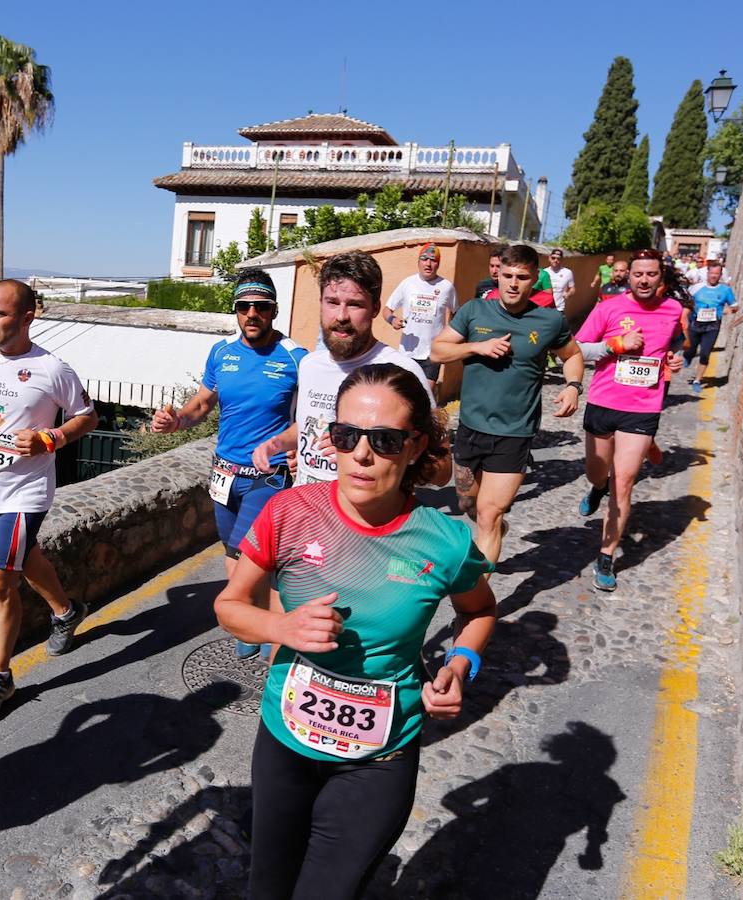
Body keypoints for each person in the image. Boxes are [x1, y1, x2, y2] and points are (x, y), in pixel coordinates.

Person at [215, 363, 496, 900]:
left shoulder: (444, 541)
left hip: (380, 758)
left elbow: (480, 611)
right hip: (286, 740)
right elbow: (229, 606)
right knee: (266, 890)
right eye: (347, 436)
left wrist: (460, 665)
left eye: (385, 441)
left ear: (416, 447)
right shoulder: (289, 511)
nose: (362, 455)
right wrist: (281, 625)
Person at [0, 280, 98, 719]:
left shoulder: (53, 369)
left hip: (27, 493)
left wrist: (52, 437)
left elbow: (87, 416)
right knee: (25, 557)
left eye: (1, 314)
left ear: (29, 316)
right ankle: (66, 612)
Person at [152, 267, 306, 659]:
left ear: (273, 311)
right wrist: (177, 421)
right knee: (231, 551)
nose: (251, 314)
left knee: (248, 557)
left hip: (268, 477)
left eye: (260, 307)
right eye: (243, 307)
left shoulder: (295, 357)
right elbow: (203, 404)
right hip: (224, 474)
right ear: (236, 311)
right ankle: (249, 617)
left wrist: (296, 443)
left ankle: (263, 630)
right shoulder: (222, 352)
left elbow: (310, 415)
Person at [430, 244, 584, 571]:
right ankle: (494, 528)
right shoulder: (474, 311)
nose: (513, 283)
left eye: (522, 277)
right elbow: (438, 351)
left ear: (534, 281)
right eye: (508, 275)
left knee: (488, 514)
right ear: (497, 274)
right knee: (468, 503)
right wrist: (477, 347)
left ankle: (476, 600)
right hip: (471, 428)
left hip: (514, 433)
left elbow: (572, 355)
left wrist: (573, 386)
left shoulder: (549, 320)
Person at [252, 251, 450, 488]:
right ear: (321, 303)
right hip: (306, 513)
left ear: (375, 308)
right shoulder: (310, 365)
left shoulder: (403, 372)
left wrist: (365, 450)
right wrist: (277, 443)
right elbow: (308, 424)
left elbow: (442, 470)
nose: (341, 316)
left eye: (355, 305)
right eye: (332, 302)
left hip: (366, 521)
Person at [574, 248, 684, 591]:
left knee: (624, 481)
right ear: (629, 276)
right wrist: (617, 344)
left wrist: (673, 360)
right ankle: (596, 485)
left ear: (661, 278)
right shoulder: (608, 308)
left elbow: (671, 346)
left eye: (651, 274)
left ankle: (606, 556)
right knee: (598, 471)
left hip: (644, 407)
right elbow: (577, 348)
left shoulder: (673, 309)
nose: (644, 280)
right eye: (638, 274)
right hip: (604, 402)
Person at [383, 242, 458, 395]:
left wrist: (450, 337)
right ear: (418, 262)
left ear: (438, 264)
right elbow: (386, 310)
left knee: (426, 395)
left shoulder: (447, 287)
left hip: (432, 353)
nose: (428, 264)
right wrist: (392, 320)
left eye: (433, 260)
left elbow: (457, 313)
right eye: (424, 259)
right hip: (407, 352)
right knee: (404, 393)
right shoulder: (407, 284)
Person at [684, 262, 737, 394]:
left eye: (716, 274)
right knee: (690, 349)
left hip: (712, 327)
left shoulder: (725, 290)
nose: (714, 276)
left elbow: (735, 306)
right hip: (695, 325)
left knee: (705, 353)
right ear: (707, 273)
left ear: (720, 275)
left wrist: (727, 310)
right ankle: (688, 356)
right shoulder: (696, 288)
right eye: (712, 273)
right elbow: (686, 304)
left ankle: (697, 380)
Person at [546, 248, 576, 313]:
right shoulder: (544, 272)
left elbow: (572, 288)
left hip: (559, 308)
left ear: (561, 259)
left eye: (558, 258)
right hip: (544, 307)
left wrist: (568, 294)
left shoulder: (567, 272)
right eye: (553, 258)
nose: (555, 260)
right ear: (549, 258)